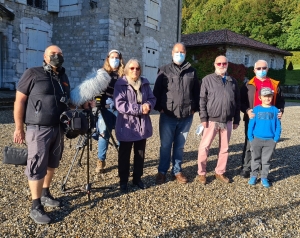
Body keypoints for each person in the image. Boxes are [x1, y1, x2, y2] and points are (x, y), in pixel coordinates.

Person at [13, 45, 70, 224]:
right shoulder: (33, 73)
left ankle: (45, 193)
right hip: (38, 128)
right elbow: (20, 101)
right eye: (53, 54)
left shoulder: (63, 77)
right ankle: (35, 205)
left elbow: (66, 101)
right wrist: (18, 127)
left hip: (58, 128)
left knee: (52, 163)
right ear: (45, 57)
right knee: (37, 165)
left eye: (60, 54)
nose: (57, 56)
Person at [153, 42, 200, 185]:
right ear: (172, 53)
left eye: (182, 52)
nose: (179, 54)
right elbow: (156, 92)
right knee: (165, 145)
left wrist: (194, 108)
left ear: (185, 53)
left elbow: (197, 92)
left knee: (179, 146)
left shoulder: (192, 71)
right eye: (177, 52)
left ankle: (177, 170)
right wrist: (160, 108)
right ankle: (162, 171)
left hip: (186, 116)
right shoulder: (164, 70)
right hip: (168, 115)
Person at [113, 59, 156, 193]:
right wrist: (139, 108)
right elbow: (119, 104)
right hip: (126, 125)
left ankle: (137, 178)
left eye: (137, 68)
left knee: (140, 154)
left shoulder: (145, 83)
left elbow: (152, 98)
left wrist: (148, 105)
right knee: (124, 155)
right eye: (132, 68)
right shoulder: (120, 84)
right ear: (126, 70)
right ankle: (123, 181)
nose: (135, 71)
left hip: (142, 125)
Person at [197, 55, 240, 185]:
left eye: (224, 63)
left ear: (227, 65)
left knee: (225, 148)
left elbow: (237, 102)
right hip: (211, 119)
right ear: (214, 64)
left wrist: (236, 119)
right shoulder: (207, 80)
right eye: (219, 63)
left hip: (227, 120)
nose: (222, 66)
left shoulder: (233, 81)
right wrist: (203, 117)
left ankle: (220, 171)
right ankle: (202, 173)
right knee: (204, 147)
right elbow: (202, 100)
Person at [240, 60, 285, 178]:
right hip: (252, 119)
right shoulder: (248, 85)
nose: (261, 70)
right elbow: (240, 102)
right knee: (250, 144)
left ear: (267, 69)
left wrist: (280, 111)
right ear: (254, 70)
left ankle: (262, 166)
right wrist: (247, 110)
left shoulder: (274, 84)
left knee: (267, 144)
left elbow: (281, 101)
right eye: (258, 68)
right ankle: (247, 167)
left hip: (269, 120)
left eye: (264, 68)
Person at [93, 50, 124, 173]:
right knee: (103, 133)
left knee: (121, 135)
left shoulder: (124, 75)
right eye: (112, 57)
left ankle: (122, 160)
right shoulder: (102, 73)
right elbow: (97, 91)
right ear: (108, 59)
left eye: (117, 57)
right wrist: (100, 102)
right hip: (106, 108)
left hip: (120, 109)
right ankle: (101, 160)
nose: (115, 60)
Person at [247, 87, 282, 188]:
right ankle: (253, 175)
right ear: (260, 97)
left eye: (269, 96)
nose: (267, 98)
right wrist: (251, 138)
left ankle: (264, 177)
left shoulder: (275, 110)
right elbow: (251, 125)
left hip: (270, 141)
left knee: (266, 161)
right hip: (256, 139)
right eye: (265, 96)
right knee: (255, 159)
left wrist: (275, 138)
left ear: (272, 97)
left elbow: (278, 126)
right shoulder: (256, 109)